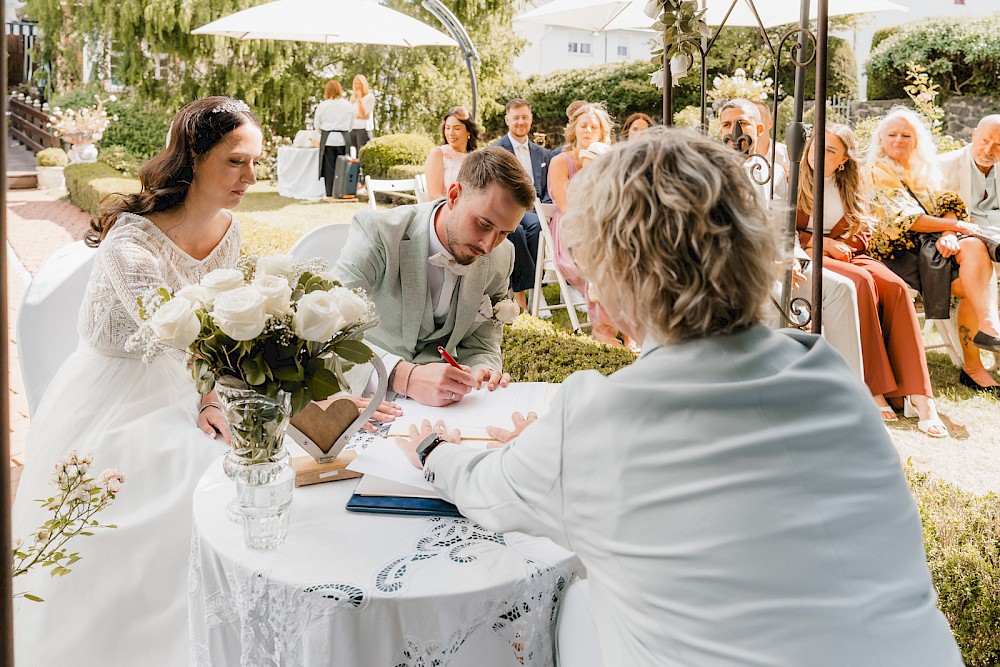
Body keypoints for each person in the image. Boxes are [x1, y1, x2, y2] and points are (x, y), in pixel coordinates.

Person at [398, 128, 963, 666]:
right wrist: (554, 452)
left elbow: (484, 489)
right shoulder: (829, 376)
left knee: (571, 607)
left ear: (619, 273)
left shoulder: (600, 418)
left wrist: (433, 451)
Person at [11, 97, 258, 665]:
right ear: (194, 157)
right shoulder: (131, 241)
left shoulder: (231, 230)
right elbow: (176, 330)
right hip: (114, 395)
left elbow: (215, 329)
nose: (250, 177)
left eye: (255, 162)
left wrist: (213, 397)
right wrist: (211, 393)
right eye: (235, 161)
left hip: (189, 382)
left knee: (258, 457)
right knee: (188, 474)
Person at [335, 147, 535, 407]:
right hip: (366, 393)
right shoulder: (379, 233)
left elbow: (483, 344)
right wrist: (403, 376)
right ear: (454, 195)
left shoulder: (501, 256)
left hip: (444, 408)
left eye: (504, 233)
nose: (488, 246)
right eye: (484, 224)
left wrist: (482, 370)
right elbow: (327, 330)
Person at [798, 125, 949, 434]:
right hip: (807, 254)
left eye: (830, 150)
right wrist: (822, 244)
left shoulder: (851, 184)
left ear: (844, 160)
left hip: (847, 253)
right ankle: (872, 386)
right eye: (816, 145)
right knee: (861, 283)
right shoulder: (791, 179)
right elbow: (780, 228)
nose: (818, 153)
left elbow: (863, 231)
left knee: (895, 288)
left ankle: (920, 395)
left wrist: (840, 246)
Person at [718, 99, 864, 381]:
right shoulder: (709, 172)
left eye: (743, 123)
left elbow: (786, 229)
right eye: (726, 124)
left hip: (779, 266)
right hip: (735, 271)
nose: (734, 130)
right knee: (776, 298)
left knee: (842, 289)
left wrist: (794, 256)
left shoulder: (775, 174)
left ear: (760, 128)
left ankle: (848, 387)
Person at [865, 106, 1000, 391]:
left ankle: (988, 329)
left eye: (906, 135)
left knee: (974, 247)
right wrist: (956, 227)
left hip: (933, 246)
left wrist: (950, 233)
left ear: (916, 140)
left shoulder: (922, 169)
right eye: (892, 134)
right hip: (899, 253)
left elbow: (949, 202)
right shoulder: (875, 172)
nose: (899, 140)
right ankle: (975, 362)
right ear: (881, 139)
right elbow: (906, 220)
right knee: (974, 277)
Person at [548, 102, 623, 346]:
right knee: (599, 266)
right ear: (574, 130)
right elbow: (567, 206)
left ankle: (627, 328)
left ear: (602, 133)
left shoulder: (610, 161)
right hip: (571, 234)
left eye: (594, 126)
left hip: (603, 231)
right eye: (583, 126)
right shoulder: (561, 161)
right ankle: (603, 330)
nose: (588, 130)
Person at [493, 99, 550, 305]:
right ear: (507, 120)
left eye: (524, 117)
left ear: (531, 119)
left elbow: (549, 187)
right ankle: (529, 290)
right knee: (526, 228)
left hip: (537, 207)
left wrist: (547, 210)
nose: (520, 122)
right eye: (516, 117)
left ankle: (534, 291)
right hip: (510, 206)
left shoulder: (543, 154)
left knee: (536, 226)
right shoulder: (496, 150)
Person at [938, 114, 1000, 228]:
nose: (988, 151)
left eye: (998, 145)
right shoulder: (944, 165)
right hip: (966, 230)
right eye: (985, 141)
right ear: (974, 135)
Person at [424, 105, 478, 199]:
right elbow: (434, 196)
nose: (451, 133)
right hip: (446, 206)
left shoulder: (475, 157)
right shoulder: (438, 154)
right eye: (447, 128)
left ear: (468, 131)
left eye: (457, 128)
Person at [313, 79, 354, 201]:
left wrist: (323, 132)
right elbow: (351, 124)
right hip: (343, 139)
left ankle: (330, 193)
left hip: (328, 140)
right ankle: (342, 192)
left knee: (329, 169)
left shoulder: (323, 105)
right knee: (343, 167)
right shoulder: (347, 105)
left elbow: (317, 124)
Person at [753, 99, 790, 177]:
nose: (753, 123)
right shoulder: (738, 156)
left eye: (757, 119)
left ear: (769, 124)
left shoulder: (786, 153)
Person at [350, 74, 376, 154]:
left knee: (361, 154)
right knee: (352, 154)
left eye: (360, 83)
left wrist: (360, 100)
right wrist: (357, 116)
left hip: (363, 129)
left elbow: (362, 115)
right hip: (352, 129)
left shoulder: (369, 97)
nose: (358, 86)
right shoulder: (353, 97)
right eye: (356, 83)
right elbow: (351, 114)